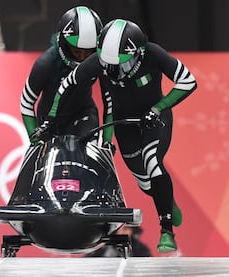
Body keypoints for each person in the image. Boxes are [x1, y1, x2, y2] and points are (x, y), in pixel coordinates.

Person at [46, 19, 198, 253]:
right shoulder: (99, 62)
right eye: (108, 64)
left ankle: (166, 229)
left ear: (138, 53)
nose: (115, 70)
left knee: (153, 164)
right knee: (144, 182)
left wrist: (159, 108)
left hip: (154, 119)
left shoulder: (154, 54)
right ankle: (168, 201)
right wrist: (51, 119)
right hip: (124, 124)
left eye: (122, 63)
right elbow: (68, 84)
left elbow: (188, 81)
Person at [20, 6, 103, 142]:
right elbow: (26, 102)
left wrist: (106, 140)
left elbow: (110, 97)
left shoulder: (101, 60)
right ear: (64, 44)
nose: (82, 57)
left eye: (88, 52)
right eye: (77, 52)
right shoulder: (46, 63)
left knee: (88, 152)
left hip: (83, 114)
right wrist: (34, 140)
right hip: (49, 120)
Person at [86, 225, 151, 257]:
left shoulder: (140, 248)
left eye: (125, 229)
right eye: (119, 229)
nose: (120, 232)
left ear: (131, 230)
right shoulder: (103, 246)